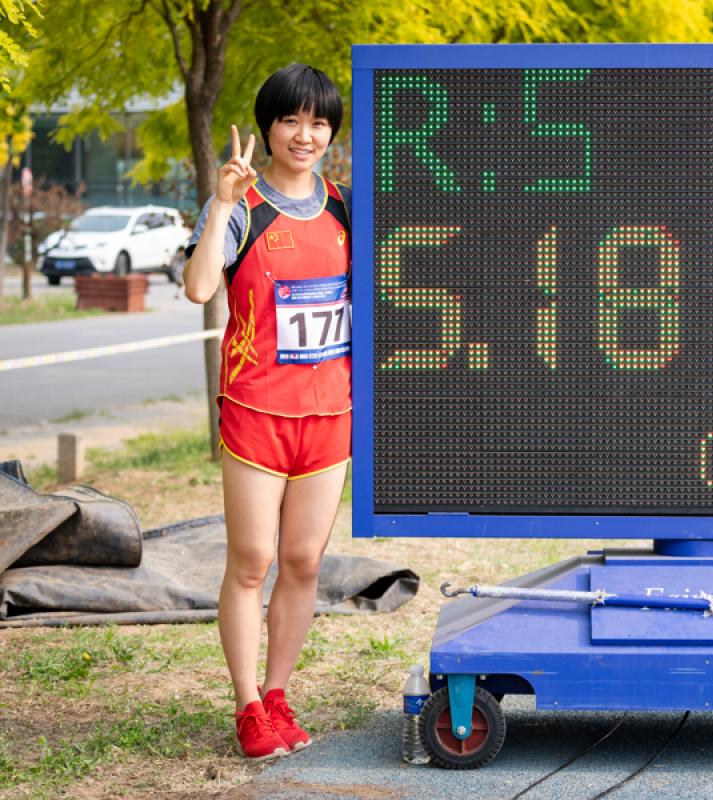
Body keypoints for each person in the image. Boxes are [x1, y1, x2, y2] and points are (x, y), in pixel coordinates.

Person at [183, 63, 351, 761]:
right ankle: (248, 703)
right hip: (256, 414)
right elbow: (198, 289)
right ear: (268, 128)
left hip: (329, 417)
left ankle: (279, 694)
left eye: (318, 122)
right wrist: (220, 204)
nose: (304, 135)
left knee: (303, 561)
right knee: (252, 560)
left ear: (331, 132)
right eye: (291, 120)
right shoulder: (243, 207)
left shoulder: (344, 206)